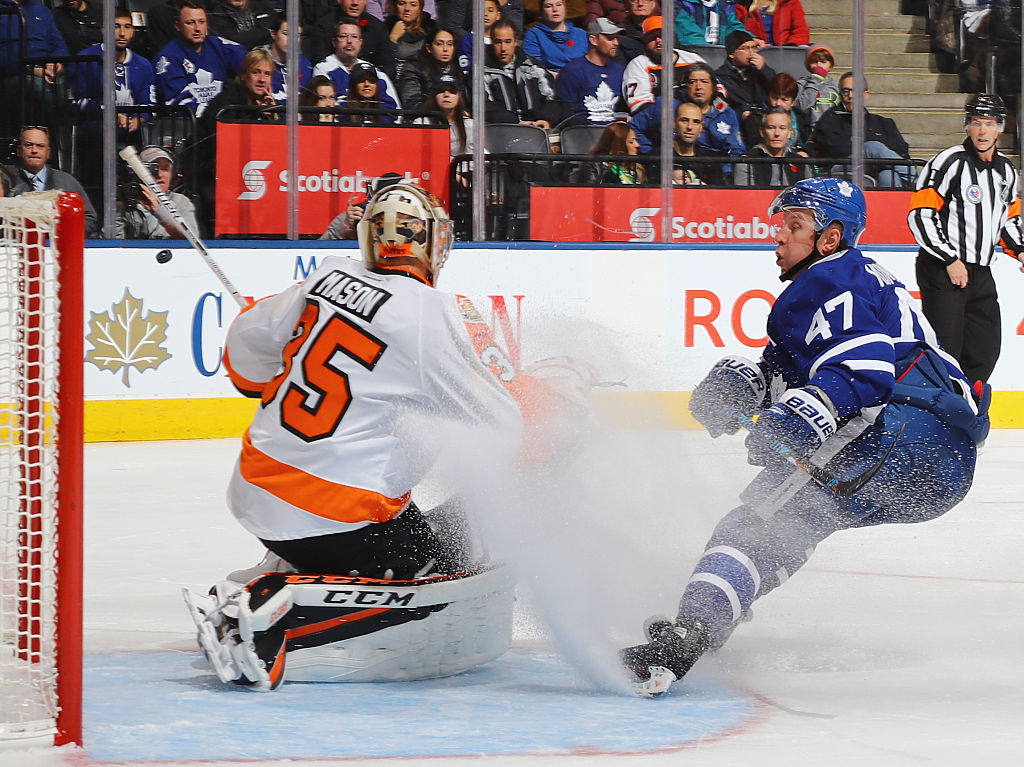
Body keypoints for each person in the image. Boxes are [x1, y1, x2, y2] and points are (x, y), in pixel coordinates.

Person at [187, 182, 590, 690]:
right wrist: (556, 409)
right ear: (431, 242)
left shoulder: (326, 277)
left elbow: (244, 367)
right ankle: (274, 613)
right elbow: (507, 429)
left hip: (254, 487)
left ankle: (291, 563)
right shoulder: (436, 314)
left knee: (396, 506)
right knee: (447, 567)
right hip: (334, 514)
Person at [620, 177, 990, 697]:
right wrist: (747, 386)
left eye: (794, 227)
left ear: (830, 238)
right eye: (781, 225)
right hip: (944, 460)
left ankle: (690, 634)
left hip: (897, 430)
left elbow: (863, 369)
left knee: (752, 525)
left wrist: (802, 417)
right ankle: (714, 613)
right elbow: (806, 369)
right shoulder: (856, 278)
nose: (779, 238)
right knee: (796, 522)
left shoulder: (830, 278)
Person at [908, 93, 1024, 385]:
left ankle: (964, 407)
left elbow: (1008, 219)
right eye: (976, 123)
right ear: (966, 125)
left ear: (1000, 127)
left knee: (985, 349)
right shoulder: (949, 162)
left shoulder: (1006, 171)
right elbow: (920, 215)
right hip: (944, 269)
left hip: (981, 272)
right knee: (947, 349)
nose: (982, 131)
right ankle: (937, 414)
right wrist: (949, 258)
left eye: (989, 123)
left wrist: (1021, 250)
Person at [810, 72, 916, 189]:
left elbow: (902, 153)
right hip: (841, 168)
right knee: (873, 147)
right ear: (840, 94)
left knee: (888, 176)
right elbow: (833, 149)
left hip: (876, 171)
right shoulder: (830, 119)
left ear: (866, 94)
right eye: (845, 91)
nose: (850, 95)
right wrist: (870, 151)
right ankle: (920, 183)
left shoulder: (884, 123)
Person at [632, 62, 745, 172]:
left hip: (711, 172)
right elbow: (633, 128)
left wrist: (721, 172)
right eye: (692, 82)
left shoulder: (726, 113)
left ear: (713, 87)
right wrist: (652, 153)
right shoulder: (665, 106)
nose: (698, 87)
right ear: (685, 86)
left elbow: (736, 150)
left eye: (704, 82)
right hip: (669, 169)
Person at [153, 0, 246, 117]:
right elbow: (180, 106)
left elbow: (254, 65)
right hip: (191, 127)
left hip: (223, 120)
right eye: (190, 23)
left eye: (201, 22)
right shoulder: (167, 59)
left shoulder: (220, 46)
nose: (197, 28)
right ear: (178, 26)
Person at [71, 7, 155, 132]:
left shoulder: (143, 65)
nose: (122, 33)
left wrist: (138, 120)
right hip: (96, 128)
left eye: (127, 27)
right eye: (116, 26)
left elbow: (148, 103)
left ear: (133, 31)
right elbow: (79, 101)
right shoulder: (86, 59)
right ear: (104, 30)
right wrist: (111, 115)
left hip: (134, 130)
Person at [8, 126, 100, 237]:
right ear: (19, 151)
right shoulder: (6, 182)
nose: (34, 150)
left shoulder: (67, 182)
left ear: (48, 153)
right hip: (19, 249)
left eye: (40, 146)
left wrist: (60, 230)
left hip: (59, 250)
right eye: (29, 145)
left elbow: (90, 218)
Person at [480, 19, 569, 129]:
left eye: (508, 41)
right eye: (498, 42)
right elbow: (484, 107)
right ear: (491, 42)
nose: (503, 48)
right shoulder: (481, 71)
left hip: (537, 129)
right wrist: (516, 122)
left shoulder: (534, 67)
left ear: (515, 42)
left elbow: (553, 98)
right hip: (501, 131)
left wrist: (547, 119)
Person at [622, 15, 705, 116]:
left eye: (663, 36)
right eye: (652, 37)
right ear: (644, 40)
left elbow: (718, 91)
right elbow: (640, 107)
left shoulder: (693, 59)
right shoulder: (638, 65)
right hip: (658, 123)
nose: (659, 41)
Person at [314, 18, 401, 110]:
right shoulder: (323, 69)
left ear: (361, 42)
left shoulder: (374, 71)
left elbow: (396, 110)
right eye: (343, 36)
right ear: (334, 42)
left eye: (354, 36)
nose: (349, 41)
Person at [116, 145, 199, 239]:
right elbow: (111, 245)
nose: (159, 174)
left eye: (165, 169)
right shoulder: (127, 204)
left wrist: (159, 210)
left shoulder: (181, 202)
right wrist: (118, 208)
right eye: (153, 169)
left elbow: (192, 240)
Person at [556, 17, 626, 125]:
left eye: (616, 38)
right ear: (594, 40)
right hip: (583, 133)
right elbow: (566, 114)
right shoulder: (572, 71)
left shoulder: (618, 70)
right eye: (610, 38)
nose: (616, 43)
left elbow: (622, 108)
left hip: (612, 133)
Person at [715, 28, 776, 148]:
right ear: (732, 54)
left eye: (753, 47)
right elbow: (721, 106)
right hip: (737, 124)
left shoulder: (760, 71)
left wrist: (765, 69)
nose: (752, 53)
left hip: (764, 117)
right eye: (745, 48)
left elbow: (778, 88)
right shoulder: (720, 77)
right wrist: (741, 113)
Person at [310, 0, 396, 77]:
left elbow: (388, 68)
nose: (355, 3)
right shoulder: (324, 26)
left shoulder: (377, 27)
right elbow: (320, 63)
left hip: (368, 82)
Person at [733, 105, 807, 186]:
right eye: (771, 128)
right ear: (762, 132)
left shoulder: (801, 163)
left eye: (782, 128)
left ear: (790, 133)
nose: (777, 134)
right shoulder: (746, 162)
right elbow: (744, 196)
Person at [319, 170, 404, 239]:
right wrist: (347, 226)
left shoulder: (412, 219)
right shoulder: (357, 215)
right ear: (375, 197)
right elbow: (319, 248)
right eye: (385, 199)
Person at [399, 26, 463, 110]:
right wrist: (441, 111)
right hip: (425, 119)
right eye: (439, 44)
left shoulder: (456, 69)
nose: (445, 49)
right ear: (429, 48)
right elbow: (411, 104)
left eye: (450, 44)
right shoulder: (413, 68)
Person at [522, 0, 588, 74]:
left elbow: (591, 63)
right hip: (549, 81)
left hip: (582, 80)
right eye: (548, 6)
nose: (555, 9)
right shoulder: (534, 34)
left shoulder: (581, 34)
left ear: (565, 8)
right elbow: (533, 67)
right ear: (542, 12)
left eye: (559, 5)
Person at [671, 100, 724, 185]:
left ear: (701, 127)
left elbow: (717, 196)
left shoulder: (711, 162)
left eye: (696, 122)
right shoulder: (658, 158)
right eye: (684, 120)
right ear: (674, 123)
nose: (689, 127)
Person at [575, 121, 647, 184]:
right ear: (619, 145)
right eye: (631, 142)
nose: (637, 145)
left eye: (636, 140)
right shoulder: (595, 166)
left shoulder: (637, 168)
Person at [263, 13, 312, 104]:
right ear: (273, 33)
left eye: (296, 35)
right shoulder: (259, 63)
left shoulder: (305, 65)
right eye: (286, 34)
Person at [386, 0, 436, 79]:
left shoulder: (432, 30)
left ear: (420, 8)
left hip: (423, 81)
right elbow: (382, 61)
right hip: (394, 80)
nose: (407, 9)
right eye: (401, 4)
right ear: (395, 6)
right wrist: (392, 39)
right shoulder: (385, 29)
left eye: (413, 5)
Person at [794, 44, 839, 130]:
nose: (818, 65)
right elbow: (802, 106)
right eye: (814, 62)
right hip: (809, 130)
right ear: (808, 65)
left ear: (831, 65)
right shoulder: (802, 84)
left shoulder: (836, 86)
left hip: (831, 129)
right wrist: (816, 80)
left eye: (823, 62)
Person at [205, 0, 277, 50]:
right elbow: (230, 44)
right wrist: (264, 33)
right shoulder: (213, 17)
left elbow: (277, 32)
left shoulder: (262, 8)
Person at [674, 0, 749, 47]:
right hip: (689, 57)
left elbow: (733, 27)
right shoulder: (680, 3)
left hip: (720, 57)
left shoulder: (725, 4)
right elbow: (688, 34)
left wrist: (749, 40)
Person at [735, 0, 809, 47]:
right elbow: (736, 30)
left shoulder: (790, 2)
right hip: (754, 51)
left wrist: (790, 47)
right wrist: (752, 42)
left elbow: (801, 31)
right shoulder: (742, 4)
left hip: (784, 51)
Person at [456, 0, 502, 73]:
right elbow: (466, 71)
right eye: (481, 10)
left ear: (498, 15)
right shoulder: (468, 40)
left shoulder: (502, 40)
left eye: (490, 10)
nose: (485, 14)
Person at [767, 71, 807, 153]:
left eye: (784, 100)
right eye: (775, 98)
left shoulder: (801, 118)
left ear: (792, 102)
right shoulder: (757, 117)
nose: (778, 103)